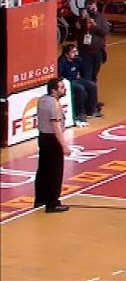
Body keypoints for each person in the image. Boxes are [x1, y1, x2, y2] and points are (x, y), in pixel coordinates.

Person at [33, 78, 70, 213]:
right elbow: (56, 127)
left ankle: (40, 199)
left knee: (43, 169)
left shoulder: (42, 99)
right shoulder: (54, 104)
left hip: (43, 137)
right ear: (54, 90)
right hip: (53, 140)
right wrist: (64, 145)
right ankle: (52, 203)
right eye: (61, 87)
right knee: (55, 172)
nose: (64, 89)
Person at [57, 44, 102, 124]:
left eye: (76, 51)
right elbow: (60, 75)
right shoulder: (62, 61)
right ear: (66, 54)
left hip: (76, 79)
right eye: (73, 52)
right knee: (80, 89)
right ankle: (80, 113)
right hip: (67, 81)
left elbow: (83, 70)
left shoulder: (77, 59)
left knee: (92, 85)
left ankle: (91, 110)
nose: (76, 53)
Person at [74, 0, 109, 83]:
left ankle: (92, 94)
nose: (92, 9)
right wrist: (81, 19)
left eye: (93, 6)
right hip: (85, 51)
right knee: (86, 75)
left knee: (94, 74)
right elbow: (75, 30)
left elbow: (104, 31)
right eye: (89, 6)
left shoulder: (101, 17)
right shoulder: (82, 17)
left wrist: (95, 25)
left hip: (97, 51)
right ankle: (86, 94)